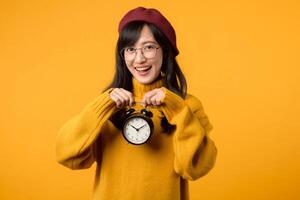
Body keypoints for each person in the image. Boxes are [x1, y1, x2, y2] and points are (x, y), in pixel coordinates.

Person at [55, 6, 217, 200]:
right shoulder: (108, 106)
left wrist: (178, 110)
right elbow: (67, 156)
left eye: (149, 47)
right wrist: (102, 106)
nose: (139, 59)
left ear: (165, 51)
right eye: (130, 49)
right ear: (122, 56)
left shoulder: (187, 105)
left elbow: (195, 168)